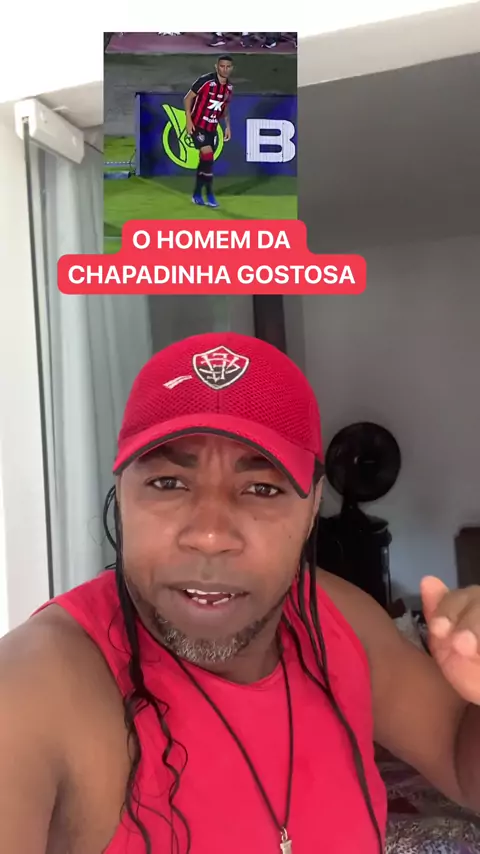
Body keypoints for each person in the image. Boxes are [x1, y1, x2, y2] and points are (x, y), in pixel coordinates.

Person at [0, 331, 480, 854]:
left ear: (311, 506)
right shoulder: (35, 691)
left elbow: (461, 756)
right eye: (167, 483)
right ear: (122, 493)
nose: (210, 534)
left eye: (262, 489)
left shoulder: (339, 620)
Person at [183, 56, 233, 209]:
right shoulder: (205, 81)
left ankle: (197, 194)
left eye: (228, 67)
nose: (225, 69)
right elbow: (187, 98)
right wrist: (188, 120)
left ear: (231, 68)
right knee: (208, 155)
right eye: (222, 66)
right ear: (216, 67)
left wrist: (227, 126)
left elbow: (224, 108)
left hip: (212, 128)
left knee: (205, 162)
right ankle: (210, 194)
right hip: (198, 125)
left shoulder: (229, 88)